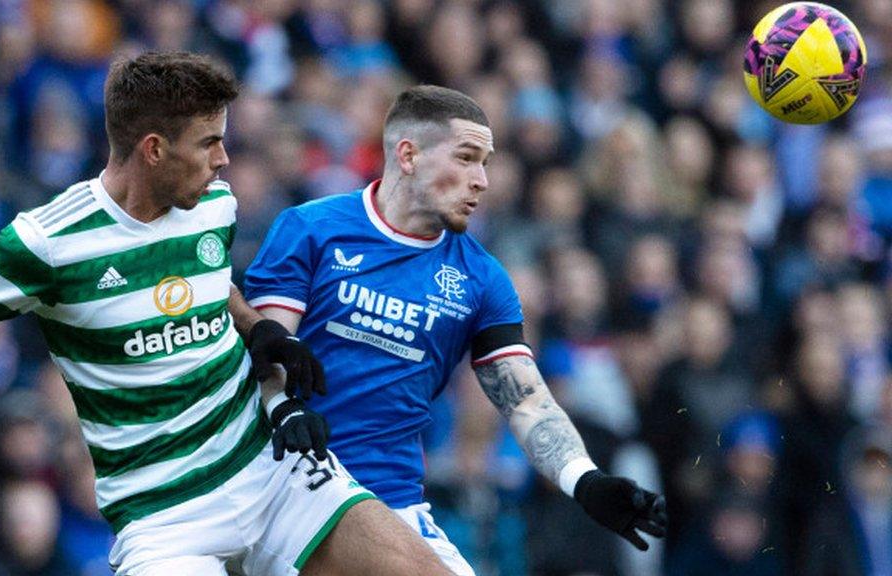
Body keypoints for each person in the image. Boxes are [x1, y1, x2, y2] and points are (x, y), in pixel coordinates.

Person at [0, 52, 455, 576]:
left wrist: (262, 330)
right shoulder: (46, 244)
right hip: (161, 515)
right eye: (208, 143)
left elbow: (209, 287)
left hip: (271, 471)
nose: (224, 161)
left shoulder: (212, 206)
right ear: (153, 149)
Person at [244, 85, 668, 574]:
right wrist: (287, 409)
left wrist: (585, 480)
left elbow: (524, 399)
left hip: (390, 499)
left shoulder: (482, 278)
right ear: (408, 155)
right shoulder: (311, 229)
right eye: (467, 158)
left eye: (486, 162)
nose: (483, 180)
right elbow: (268, 352)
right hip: (285, 478)